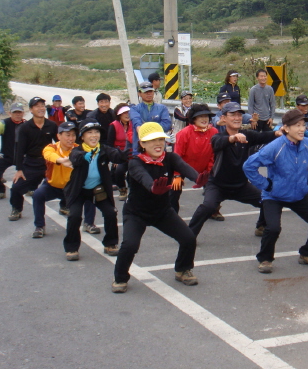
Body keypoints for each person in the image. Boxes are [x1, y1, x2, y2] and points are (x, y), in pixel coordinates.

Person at [112, 122, 201, 293]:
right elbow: (142, 177)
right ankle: (120, 278)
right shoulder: (135, 162)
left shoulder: (170, 158)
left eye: (161, 139)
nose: (158, 144)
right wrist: (153, 187)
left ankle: (182, 270)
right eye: (152, 140)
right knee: (130, 245)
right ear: (142, 144)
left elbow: (185, 168)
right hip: (136, 213)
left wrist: (198, 178)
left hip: (162, 211)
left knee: (188, 238)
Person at [244, 109, 308, 274]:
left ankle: (307, 252)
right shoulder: (275, 147)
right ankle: (265, 259)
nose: (301, 129)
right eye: (297, 125)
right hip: (274, 195)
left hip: (298, 194)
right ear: (286, 128)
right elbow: (249, 166)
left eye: (303, 125)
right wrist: (266, 185)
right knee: (273, 228)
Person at [187, 102, 279, 239]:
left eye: (239, 115)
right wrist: (233, 138)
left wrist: (278, 132)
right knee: (208, 207)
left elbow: (265, 136)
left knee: (267, 200)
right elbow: (218, 143)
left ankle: (261, 225)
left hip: (240, 186)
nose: (237, 118)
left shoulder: (247, 135)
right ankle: (188, 235)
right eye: (233, 115)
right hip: (218, 185)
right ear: (223, 118)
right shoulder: (217, 137)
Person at [62, 119, 129, 261]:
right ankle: (71, 248)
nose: (94, 135)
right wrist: (84, 156)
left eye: (96, 132)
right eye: (89, 133)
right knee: (74, 216)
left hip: (98, 190)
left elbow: (118, 156)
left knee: (110, 213)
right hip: (78, 191)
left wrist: (130, 152)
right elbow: (75, 158)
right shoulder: (77, 150)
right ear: (82, 137)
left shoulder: (104, 150)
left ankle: (110, 244)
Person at [9, 97, 58, 222]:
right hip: (31, 164)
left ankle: (64, 206)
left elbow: (60, 144)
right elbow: (19, 150)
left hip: (49, 163)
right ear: (31, 110)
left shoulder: (51, 125)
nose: (41, 108)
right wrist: (19, 169)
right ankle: (16, 209)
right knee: (16, 188)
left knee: (64, 183)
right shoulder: (25, 127)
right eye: (37, 106)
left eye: (42, 105)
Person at [31, 121, 78, 238]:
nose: (71, 138)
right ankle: (39, 226)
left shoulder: (79, 149)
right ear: (58, 136)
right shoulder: (51, 147)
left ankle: (89, 223)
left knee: (90, 196)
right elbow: (47, 155)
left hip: (72, 188)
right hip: (53, 186)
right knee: (37, 195)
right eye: (67, 135)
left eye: (73, 135)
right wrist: (61, 160)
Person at [173, 103, 218, 215]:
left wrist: (209, 171)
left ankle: (213, 210)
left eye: (206, 116)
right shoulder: (183, 133)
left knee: (215, 187)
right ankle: (172, 214)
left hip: (204, 167)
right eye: (200, 116)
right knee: (174, 189)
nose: (204, 119)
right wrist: (177, 174)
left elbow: (214, 155)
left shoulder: (214, 132)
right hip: (183, 166)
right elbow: (177, 156)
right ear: (193, 118)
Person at [0, 102, 26, 200]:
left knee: (33, 173)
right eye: (15, 112)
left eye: (19, 112)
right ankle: (0, 190)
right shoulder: (3, 124)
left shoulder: (27, 124)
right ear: (9, 113)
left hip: (22, 157)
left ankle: (31, 189)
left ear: (23, 113)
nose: (17, 114)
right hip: (6, 156)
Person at [129, 81, 172, 155]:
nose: (149, 94)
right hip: (140, 149)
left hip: (158, 148)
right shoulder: (134, 109)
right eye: (146, 92)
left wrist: (146, 128)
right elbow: (137, 123)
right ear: (139, 93)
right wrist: (155, 127)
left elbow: (167, 124)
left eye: (151, 91)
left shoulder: (162, 108)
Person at [106, 103, 133, 201]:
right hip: (120, 154)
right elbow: (109, 144)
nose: (127, 115)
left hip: (132, 154)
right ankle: (122, 189)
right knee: (119, 171)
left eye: (128, 112)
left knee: (133, 173)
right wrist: (115, 159)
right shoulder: (113, 125)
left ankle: (134, 193)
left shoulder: (135, 124)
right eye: (124, 113)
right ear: (119, 115)